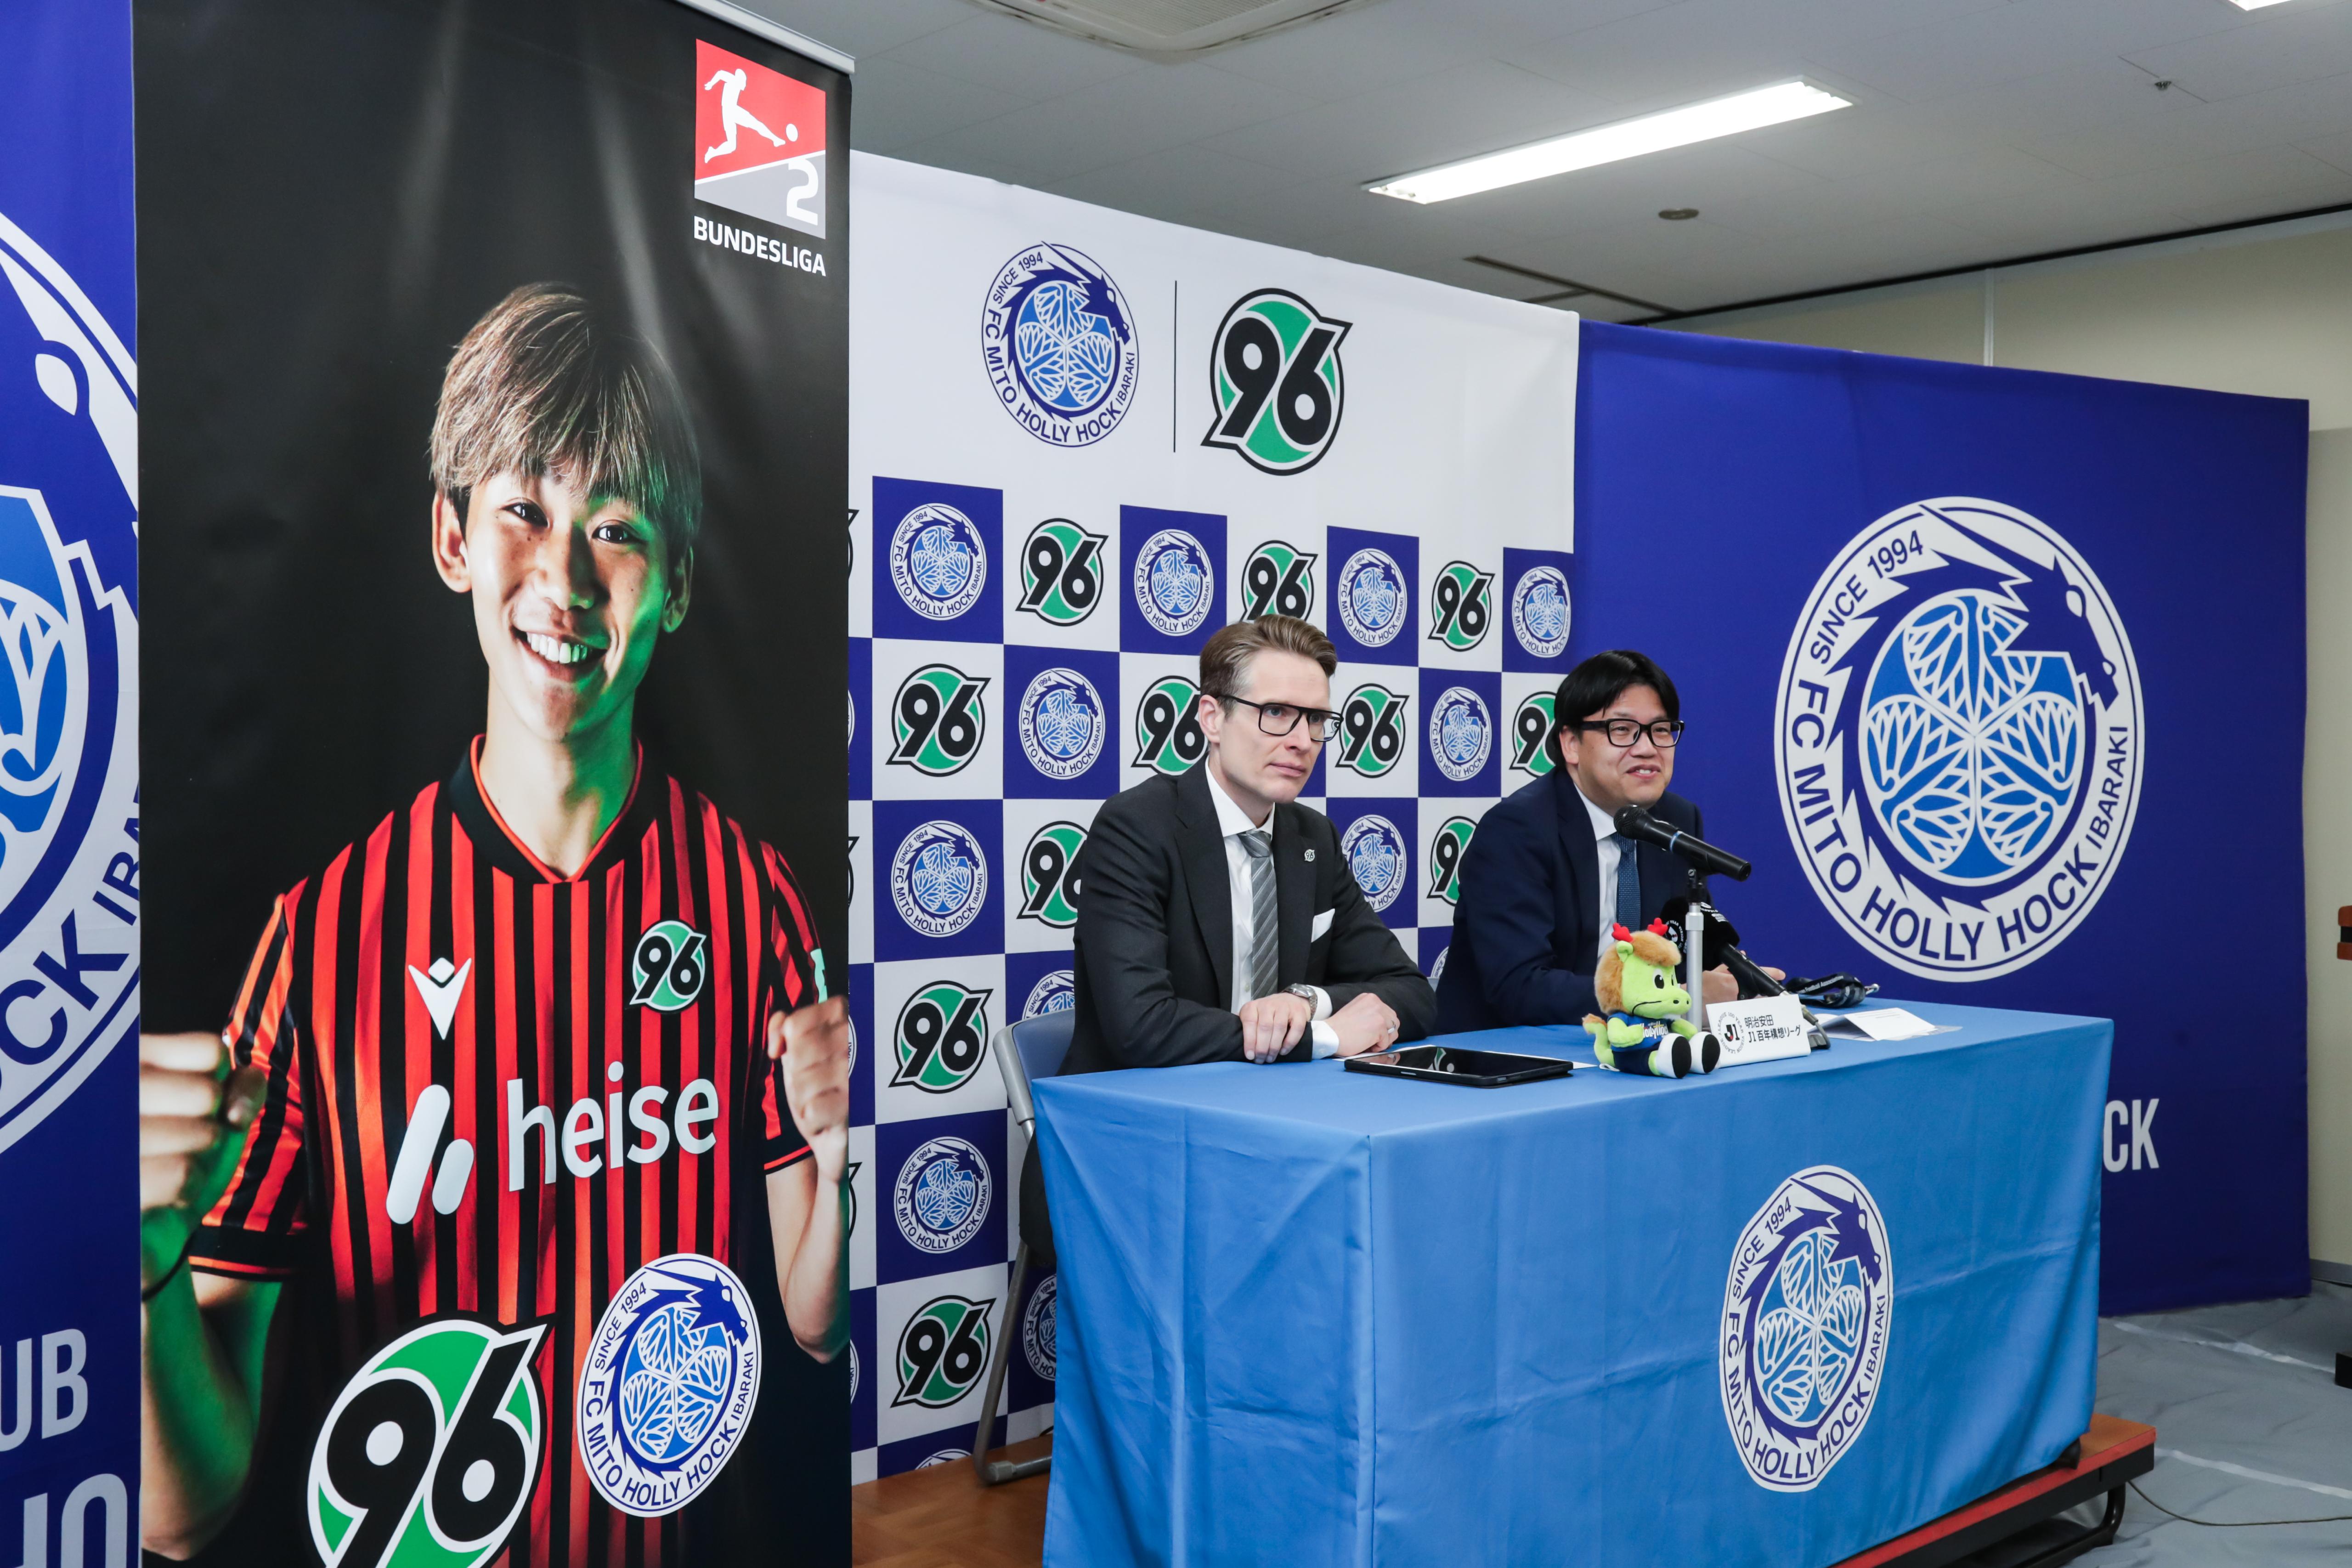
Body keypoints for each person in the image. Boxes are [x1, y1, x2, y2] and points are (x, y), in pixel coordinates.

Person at [134, 283, 850, 1564]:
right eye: (524, 508)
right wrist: (145, 1279)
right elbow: (187, 1508)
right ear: (453, 538)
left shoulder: (751, 899)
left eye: (618, 529)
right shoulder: (324, 938)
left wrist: (837, 1157)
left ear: (677, 582)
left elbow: (808, 1320)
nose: (565, 577)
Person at [1061, 614, 1436, 1074]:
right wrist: (1325, 1035)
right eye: (1275, 712)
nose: (1302, 741)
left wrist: (1305, 1001)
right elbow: (1140, 1027)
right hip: (1137, 1120)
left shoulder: (1312, 837)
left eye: (1316, 718)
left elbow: (1412, 994)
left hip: (1274, 1115)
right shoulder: (1136, 827)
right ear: (1212, 718)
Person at [1437, 648, 1778, 1032]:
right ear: (1571, 744)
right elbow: (1521, 987)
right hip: (1512, 1058)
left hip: (1634, 1053)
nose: (1648, 747)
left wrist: (1737, 984)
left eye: (1661, 729)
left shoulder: (1676, 821)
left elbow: (1686, 951)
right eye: (1622, 730)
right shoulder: (1516, 831)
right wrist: (1671, 999)